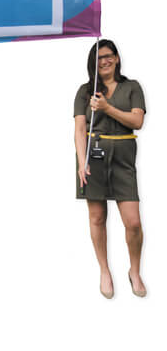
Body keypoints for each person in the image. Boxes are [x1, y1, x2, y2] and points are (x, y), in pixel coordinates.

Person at [74, 39, 147, 299]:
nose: (103, 61)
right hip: (92, 158)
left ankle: (135, 271)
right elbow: (80, 130)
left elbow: (136, 120)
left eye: (108, 56)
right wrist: (81, 162)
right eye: (98, 57)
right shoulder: (85, 90)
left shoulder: (132, 87)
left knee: (133, 222)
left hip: (123, 158)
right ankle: (104, 270)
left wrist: (107, 108)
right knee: (97, 217)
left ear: (116, 58)